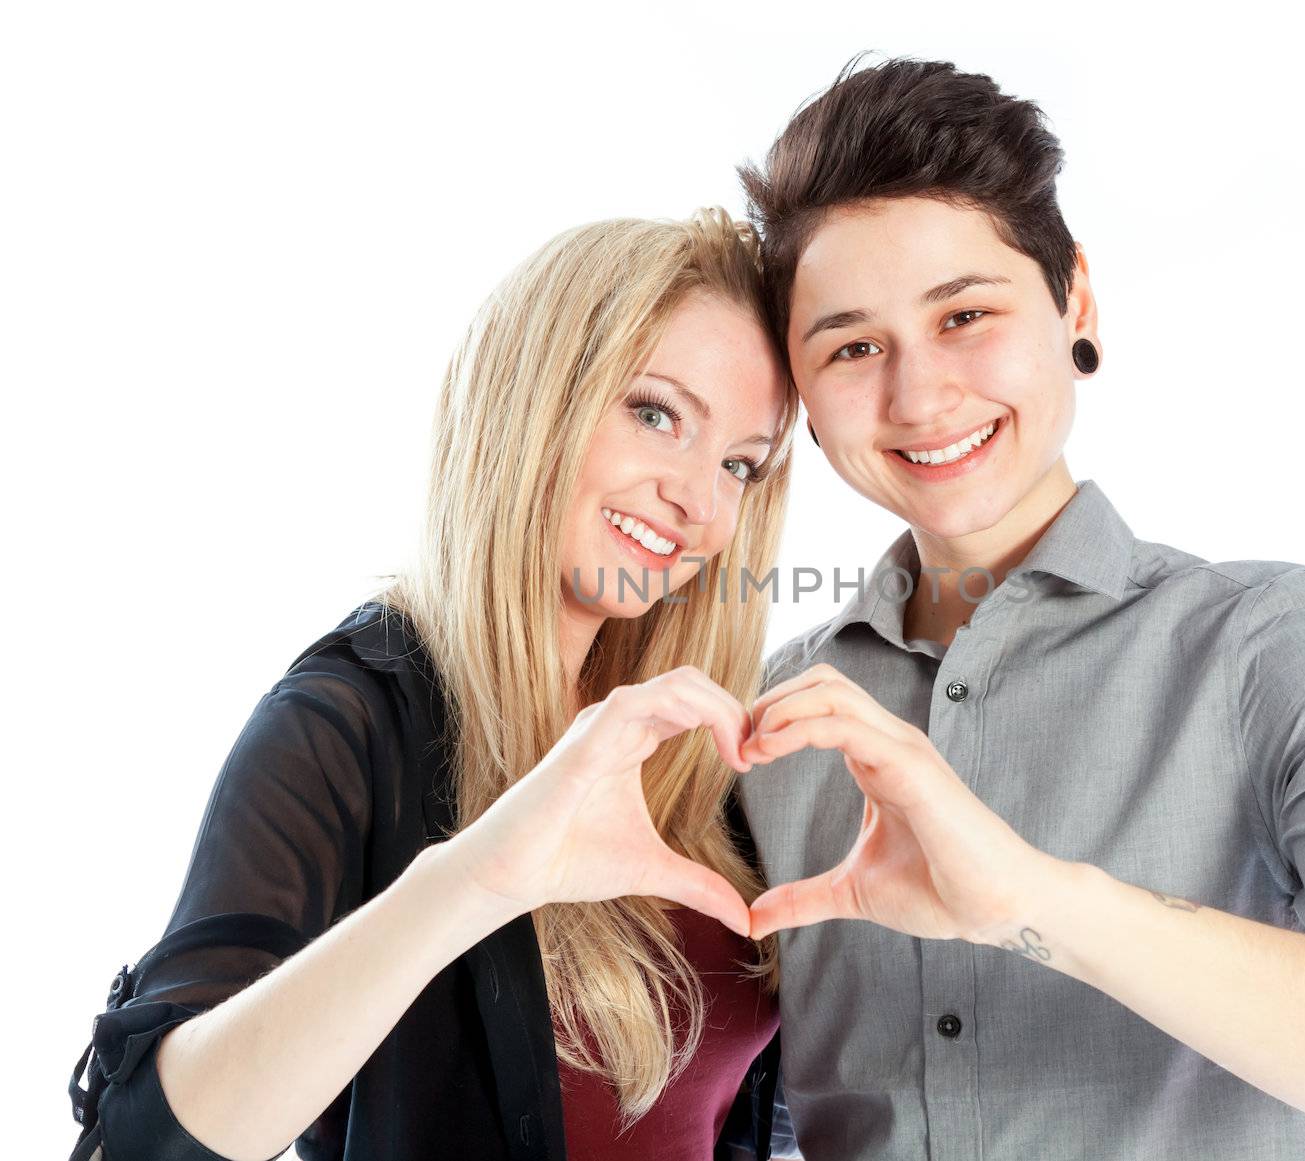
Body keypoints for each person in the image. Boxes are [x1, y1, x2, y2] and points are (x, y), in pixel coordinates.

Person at [732, 57, 1305, 1160]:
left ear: (1076, 304)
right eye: (854, 346)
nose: (919, 397)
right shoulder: (780, 712)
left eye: (965, 313)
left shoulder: (1270, 641)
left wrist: (1030, 899)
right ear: (803, 396)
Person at [67, 208, 802, 1161]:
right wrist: (480, 878)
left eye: (740, 464)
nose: (700, 504)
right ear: (536, 393)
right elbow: (142, 1143)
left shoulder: (691, 744)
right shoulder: (344, 725)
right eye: (656, 414)